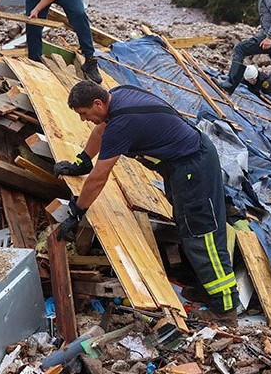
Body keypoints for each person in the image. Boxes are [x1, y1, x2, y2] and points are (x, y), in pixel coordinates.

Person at [60, 81, 238, 322]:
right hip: (183, 164)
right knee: (188, 226)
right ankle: (209, 289)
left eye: (84, 114)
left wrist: (77, 211)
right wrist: (82, 161)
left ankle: (225, 308)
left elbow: (99, 177)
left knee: (201, 232)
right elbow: (99, 131)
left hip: (194, 166)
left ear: (98, 103)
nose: (83, 119)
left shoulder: (122, 124)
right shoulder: (119, 95)